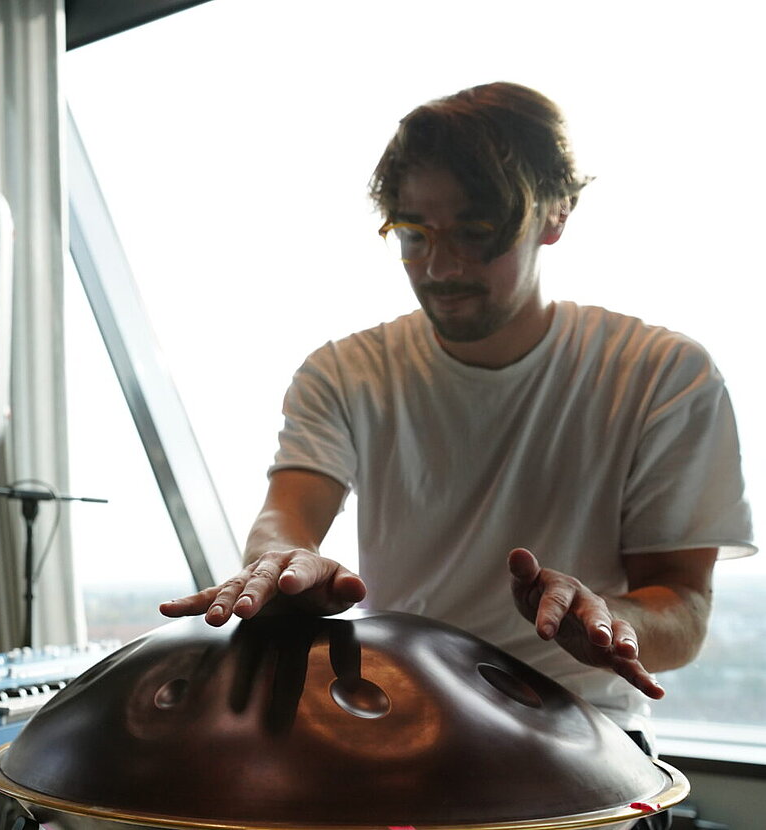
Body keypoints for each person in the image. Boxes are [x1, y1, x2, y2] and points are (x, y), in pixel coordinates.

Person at [160, 82, 755, 826]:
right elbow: (287, 515)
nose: (440, 268)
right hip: (406, 737)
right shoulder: (346, 372)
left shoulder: (659, 373)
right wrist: (282, 563)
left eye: (477, 232)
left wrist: (609, 622)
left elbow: (684, 610)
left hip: (585, 746)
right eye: (414, 234)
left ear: (555, 214)